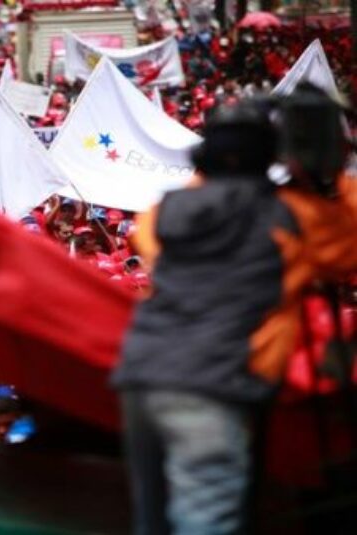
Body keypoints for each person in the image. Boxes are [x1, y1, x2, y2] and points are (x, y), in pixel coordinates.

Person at [114, 99, 357, 534]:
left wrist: (220, 161)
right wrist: (327, 171)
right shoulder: (297, 217)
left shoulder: (161, 213)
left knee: (153, 519)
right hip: (215, 381)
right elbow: (349, 242)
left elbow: (155, 231)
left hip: (143, 376)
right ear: (271, 157)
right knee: (205, 520)